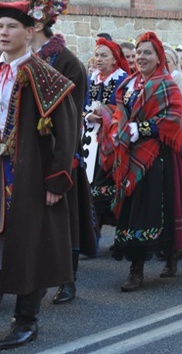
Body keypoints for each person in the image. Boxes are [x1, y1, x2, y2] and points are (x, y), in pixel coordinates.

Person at [0, 0, 78, 350]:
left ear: (30, 32)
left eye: (11, 27)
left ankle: (26, 320)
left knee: (29, 244)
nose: (3, 33)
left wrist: (56, 178)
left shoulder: (47, 77)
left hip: (31, 174)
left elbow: (66, 130)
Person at [98, 32, 182, 290]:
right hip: (130, 155)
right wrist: (107, 118)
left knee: (156, 208)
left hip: (158, 158)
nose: (141, 57)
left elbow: (173, 121)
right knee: (134, 209)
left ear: (158, 57)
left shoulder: (167, 84)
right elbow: (120, 111)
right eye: (139, 53)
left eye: (147, 53)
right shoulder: (129, 84)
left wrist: (139, 129)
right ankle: (138, 263)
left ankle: (149, 264)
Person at [20, 0, 95, 305]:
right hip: (26, 152)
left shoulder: (68, 63)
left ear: (35, 23)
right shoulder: (22, 59)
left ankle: (69, 278)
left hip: (59, 152)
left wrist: (61, 158)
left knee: (66, 216)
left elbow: (71, 118)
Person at [83, 38, 130, 251]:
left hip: (112, 142)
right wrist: (87, 115)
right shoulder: (91, 79)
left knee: (109, 191)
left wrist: (103, 113)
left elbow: (124, 109)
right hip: (90, 142)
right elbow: (82, 104)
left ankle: (119, 236)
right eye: (97, 55)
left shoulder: (122, 80)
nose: (99, 59)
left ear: (114, 60)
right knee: (89, 190)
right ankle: (92, 236)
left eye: (104, 55)